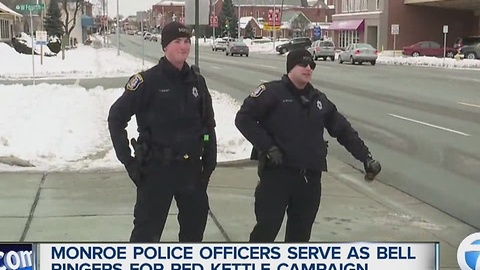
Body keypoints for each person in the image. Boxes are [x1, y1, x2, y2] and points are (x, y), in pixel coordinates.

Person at [234, 49, 381, 243]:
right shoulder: (271, 92)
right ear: (290, 67)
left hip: (309, 179)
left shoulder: (318, 100)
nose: (308, 68)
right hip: (277, 176)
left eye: (312, 65)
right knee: (266, 230)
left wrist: (366, 157)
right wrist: (268, 147)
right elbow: (244, 119)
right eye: (303, 64)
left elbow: (343, 130)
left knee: (300, 237)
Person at [107, 21, 217, 242]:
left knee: (194, 232)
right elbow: (116, 118)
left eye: (187, 41)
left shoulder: (197, 81)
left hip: (191, 170)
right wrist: (128, 162)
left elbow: (207, 125)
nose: (184, 46)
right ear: (165, 46)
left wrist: (210, 161)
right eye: (177, 41)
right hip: (157, 170)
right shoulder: (147, 81)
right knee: (146, 237)